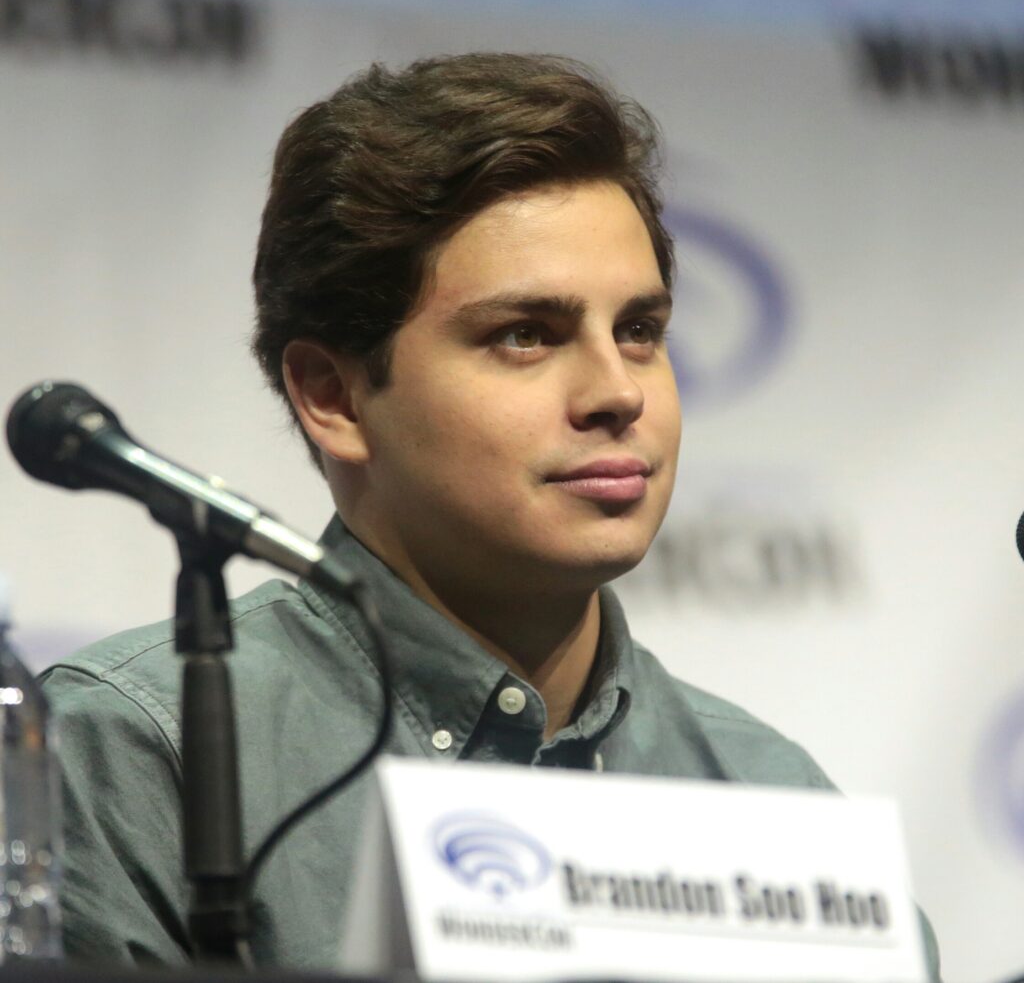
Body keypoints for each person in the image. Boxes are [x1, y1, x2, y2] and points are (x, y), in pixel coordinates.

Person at [40, 52, 938, 973]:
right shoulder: (132, 753)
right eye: (526, 335)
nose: (618, 392)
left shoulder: (772, 799)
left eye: (639, 330)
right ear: (334, 395)